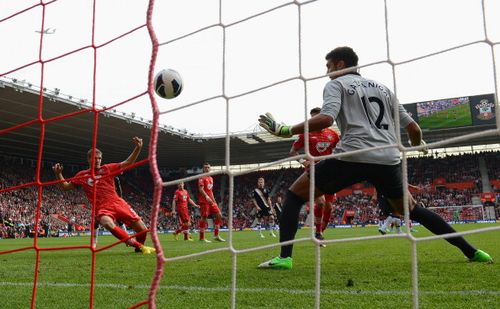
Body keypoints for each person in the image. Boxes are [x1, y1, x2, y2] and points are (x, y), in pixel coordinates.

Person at [257, 46, 492, 269]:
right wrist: (417, 145)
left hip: (353, 155)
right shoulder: (383, 89)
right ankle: (473, 252)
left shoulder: (337, 84)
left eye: (328, 66)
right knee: (413, 209)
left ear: (340, 64)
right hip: (388, 160)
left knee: (293, 196)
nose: (327, 72)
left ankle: (284, 258)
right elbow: (414, 129)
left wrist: (285, 130)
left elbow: (326, 119)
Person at [52, 137, 156, 254]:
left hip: (118, 202)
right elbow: (65, 187)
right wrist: (58, 174)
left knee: (142, 230)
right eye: (95, 158)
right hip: (102, 207)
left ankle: (139, 247)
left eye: (100, 158)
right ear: (89, 159)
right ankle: (138, 246)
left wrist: (138, 148)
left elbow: (128, 163)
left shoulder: (108, 168)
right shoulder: (82, 175)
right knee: (106, 223)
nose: (97, 161)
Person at [289, 107, 340, 242]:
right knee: (321, 203)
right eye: (312, 119)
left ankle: (321, 231)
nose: (315, 121)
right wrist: (302, 161)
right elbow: (293, 151)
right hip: (313, 171)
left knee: (329, 206)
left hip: (330, 172)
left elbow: (341, 149)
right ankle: (317, 232)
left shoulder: (333, 134)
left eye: (317, 118)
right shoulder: (305, 134)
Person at [197, 163, 225, 242]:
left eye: (208, 167)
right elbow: (201, 189)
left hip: (210, 201)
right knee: (204, 217)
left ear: (210, 169)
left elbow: (211, 191)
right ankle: (201, 238)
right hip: (204, 201)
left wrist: (214, 201)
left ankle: (216, 235)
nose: (207, 169)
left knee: (219, 215)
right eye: (205, 167)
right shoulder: (201, 178)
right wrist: (206, 196)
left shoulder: (211, 178)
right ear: (203, 169)